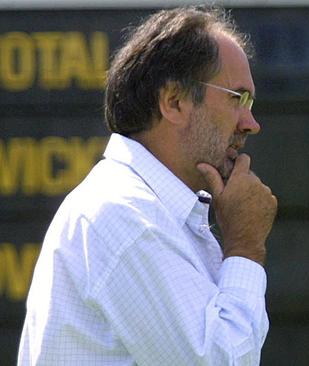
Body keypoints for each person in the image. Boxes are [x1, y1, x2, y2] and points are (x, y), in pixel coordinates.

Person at [18, 6, 277, 365]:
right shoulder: (128, 217)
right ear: (173, 102)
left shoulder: (145, 212)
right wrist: (245, 246)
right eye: (238, 98)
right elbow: (223, 359)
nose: (251, 123)